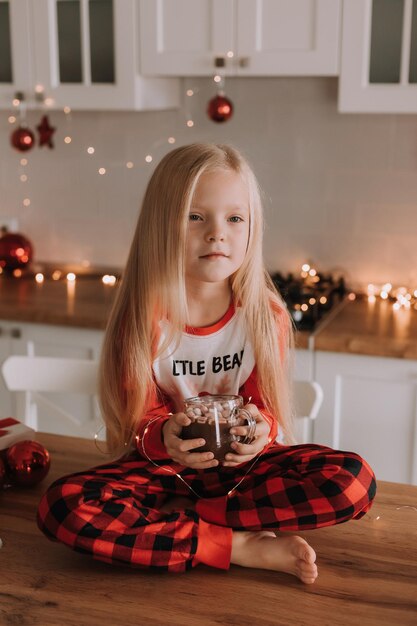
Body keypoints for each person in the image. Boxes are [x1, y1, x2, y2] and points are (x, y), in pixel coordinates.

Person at [37, 143, 376, 583]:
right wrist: (165, 436)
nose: (218, 233)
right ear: (162, 225)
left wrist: (261, 431)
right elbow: (139, 421)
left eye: (234, 219)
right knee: (63, 506)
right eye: (195, 217)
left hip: (244, 470)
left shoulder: (263, 315)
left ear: (251, 227)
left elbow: (265, 410)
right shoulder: (144, 320)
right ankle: (235, 543)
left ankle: (192, 523)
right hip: (163, 472)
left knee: (353, 479)